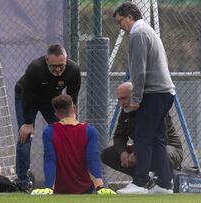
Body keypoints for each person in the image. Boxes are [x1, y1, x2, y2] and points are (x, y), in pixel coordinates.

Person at [113, 3, 176, 194]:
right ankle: (165, 184)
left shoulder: (138, 34)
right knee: (157, 138)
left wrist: (136, 98)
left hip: (154, 93)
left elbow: (138, 70)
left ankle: (139, 183)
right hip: (164, 92)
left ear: (130, 17)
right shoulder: (147, 31)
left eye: (120, 21)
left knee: (143, 137)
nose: (120, 26)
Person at [14, 44, 81, 191]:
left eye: (61, 66)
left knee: (68, 133)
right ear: (46, 60)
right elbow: (26, 97)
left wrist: (71, 119)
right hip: (27, 99)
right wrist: (27, 123)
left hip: (51, 101)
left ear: (66, 61)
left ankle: (70, 178)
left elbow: (72, 98)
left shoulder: (73, 70)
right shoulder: (35, 68)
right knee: (25, 136)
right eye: (53, 66)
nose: (57, 69)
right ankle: (23, 181)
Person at [30, 94, 116, 195]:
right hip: (85, 187)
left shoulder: (49, 131)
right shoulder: (90, 131)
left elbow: (50, 159)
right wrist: (100, 187)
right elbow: (92, 159)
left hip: (59, 188)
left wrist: (49, 187)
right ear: (74, 108)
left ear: (56, 113)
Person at [101, 82, 183, 183]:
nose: (121, 102)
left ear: (135, 96)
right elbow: (119, 136)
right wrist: (123, 152)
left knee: (163, 154)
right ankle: (145, 181)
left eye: (124, 98)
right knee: (107, 154)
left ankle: (164, 180)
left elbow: (159, 138)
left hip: (167, 146)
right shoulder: (126, 111)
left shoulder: (154, 107)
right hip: (143, 147)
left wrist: (138, 153)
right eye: (119, 99)